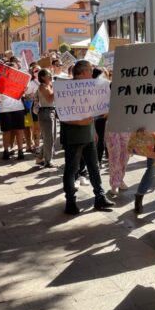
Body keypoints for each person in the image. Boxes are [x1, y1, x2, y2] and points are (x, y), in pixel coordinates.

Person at [60, 60, 114, 215]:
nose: (92, 74)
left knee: (94, 167)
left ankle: (100, 197)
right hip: (73, 136)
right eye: (90, 71)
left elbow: (91, 110)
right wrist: (79, 122)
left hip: (89, 134)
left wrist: (94, 129)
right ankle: (70, 201)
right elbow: (62, 115)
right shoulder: (65, 88)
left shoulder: (90, 88)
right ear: (82, 72)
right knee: (71, 169)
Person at [0, 86, 26, 161]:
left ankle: (20, 151)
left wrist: (25, 89)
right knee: (6, 131)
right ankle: (6, 151)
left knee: (19, 131)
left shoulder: (19, 79)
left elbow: (25, 93)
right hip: (4, 109)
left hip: (18, 108)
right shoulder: (0, 80)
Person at [36, 69, 57, 168]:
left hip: (50, 112)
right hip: (46, 113)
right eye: (48, 74)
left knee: (51, 137)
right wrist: (57, 89)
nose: (50, 75)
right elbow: (49, 99)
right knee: (49, 138)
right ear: (43, 77)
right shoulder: (43, 86)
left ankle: (40, 158)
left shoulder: (49, 85)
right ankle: (48, 161)